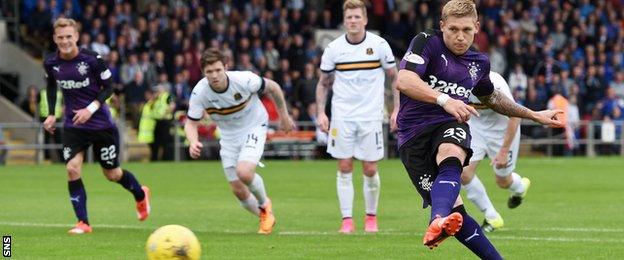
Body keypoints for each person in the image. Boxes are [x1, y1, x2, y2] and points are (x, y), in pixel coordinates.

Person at [395, 1, 563, 257]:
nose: (460, 37)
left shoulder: (478, 63)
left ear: (476, 28)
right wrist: (445, 99)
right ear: (442, 26)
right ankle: (447, 221)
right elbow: (404, 80)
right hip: (412, 135)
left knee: (452, 149)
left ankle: (436, 220)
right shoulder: (426, 41)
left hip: (448, 124)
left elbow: (493, 99)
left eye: (466, 29)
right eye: (452, 29)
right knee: (458, 216)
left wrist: (534, 115)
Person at [42, 18, 150, 234]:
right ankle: (83, 222)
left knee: (112, 174)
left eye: (69, 37)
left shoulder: (91, 59)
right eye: (60, 37)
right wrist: (52, 114)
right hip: (74, 126)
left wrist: (90, 109)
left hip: (101, 125)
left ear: (76, 37)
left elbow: (109, 87)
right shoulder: (51, 62)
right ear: (55, 38)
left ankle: (140, 194)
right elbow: (52, 86)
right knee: (72, 169)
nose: (65, 41)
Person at [184, 48, 295, 235]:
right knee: (238, 190)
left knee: (243, 172)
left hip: (254, 126)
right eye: (209, 72)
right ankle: (265, 214)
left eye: (218, 70)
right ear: (203, 73)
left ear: (226, 67)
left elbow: (274, 87)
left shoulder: (244, 79)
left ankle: (264, 204)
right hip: (228, 137)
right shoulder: (199, 92)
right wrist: (193, 141)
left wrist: (284, 116)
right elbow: (190, 123)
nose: (214, 75)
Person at [316, 0, 399, 234]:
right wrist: (321, 112)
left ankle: (371, 217)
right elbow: (323, 83)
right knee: (344, 165)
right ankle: (347, 220)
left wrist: (396, 109)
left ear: (365, 20)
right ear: (344, 21)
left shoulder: (379, 45)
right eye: (349, 17)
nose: (352, 21)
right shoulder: (333, 49)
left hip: (371, 116)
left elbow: (396, 78)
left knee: (370, 168)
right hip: (342, 117)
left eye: (356, 17)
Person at [461, 71, 531, 233]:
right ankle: (492, 217)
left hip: (502, 131)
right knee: (463, 173)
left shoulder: (494, 84)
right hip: (476, 127)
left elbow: (515, 116)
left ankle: (519, 187)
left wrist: (504, 150)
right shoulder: (454, 76)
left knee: (502, 181)